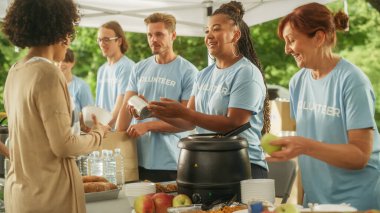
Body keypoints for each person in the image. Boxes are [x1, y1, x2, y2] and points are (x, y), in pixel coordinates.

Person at [268, 2, 380, 210]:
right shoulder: (297, 82)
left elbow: (360, 156)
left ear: (318, 38)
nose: (286, 50)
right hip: (315, 202)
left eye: (291, 40)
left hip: (356, 202)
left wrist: (304, 146)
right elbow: (314, 140)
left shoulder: (353, 81)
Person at [1, 0, 110, 212]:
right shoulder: (48, 73)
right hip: (49, 196)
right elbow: (64, 146)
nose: (69, 39)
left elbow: (34, 136)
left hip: (21, 194)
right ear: (60, 30)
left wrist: (77, 129)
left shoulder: (15, 72)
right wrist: (98, 134)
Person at [149, 1, 271, 178]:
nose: (209, 36)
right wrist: (155, 112)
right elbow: (188, 122)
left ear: (235, 35)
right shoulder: (203, 74)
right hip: (210, 163)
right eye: (207, 31)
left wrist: (184, 112)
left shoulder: (246, 73)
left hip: (244, 165)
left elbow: (234, 123)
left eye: (217, 29)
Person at [116, 13, 198, 182]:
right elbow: (125, 113)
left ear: (173, 35)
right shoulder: (139, 68)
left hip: (170, 161)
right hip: (137, 158)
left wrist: (148, 126)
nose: (153, 39)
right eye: (150, 35)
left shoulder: (189, 72)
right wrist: (115, 141)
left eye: (159, 34)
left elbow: (187, 121)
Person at [96, 21, 135, 128]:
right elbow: (98, 106)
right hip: (103, 131)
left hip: (117, 133)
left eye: (106, 39)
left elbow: (121, 107)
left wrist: (100, 128)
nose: (102, 44)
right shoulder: (102, 70)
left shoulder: (127, 67)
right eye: (99, 40)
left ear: (119, 41)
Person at [59, 48, 94, 114]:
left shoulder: (82, 86)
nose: (61, 64)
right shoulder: (50, 86)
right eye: (58, 61)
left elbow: (90, 114)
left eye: (65, 61)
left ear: (73, 63)